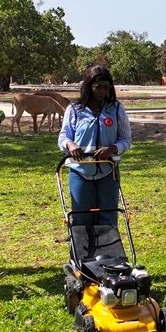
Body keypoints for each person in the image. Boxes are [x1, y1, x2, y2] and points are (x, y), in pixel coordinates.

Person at [58, 66, 131, 227]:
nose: (103, 91)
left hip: (108, 171)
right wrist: (70, 145)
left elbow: (126, 140)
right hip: (80, 170)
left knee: (108, 217)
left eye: (107, 87)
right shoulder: (74, 109)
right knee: (81, 218)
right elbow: (63, 136)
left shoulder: (116, 109)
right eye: (98, 87)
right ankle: (83, 251)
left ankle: (110, 251)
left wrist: (112, 149)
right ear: (89, 86)